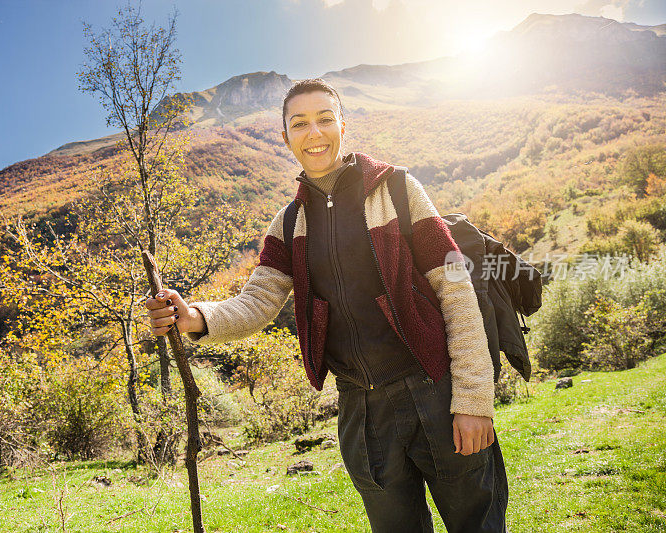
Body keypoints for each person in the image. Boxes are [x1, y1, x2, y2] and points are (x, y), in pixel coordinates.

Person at [146, 78, 508, 532]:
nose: (313, 133)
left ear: (342, 124)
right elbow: (256, 302)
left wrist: (474, 401)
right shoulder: (290, 223)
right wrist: (194, 316)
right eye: (299, 124)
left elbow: (457, 288)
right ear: (285, 137)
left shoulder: (398, 189)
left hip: (436, 389)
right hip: (362, 410)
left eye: (323, 119)